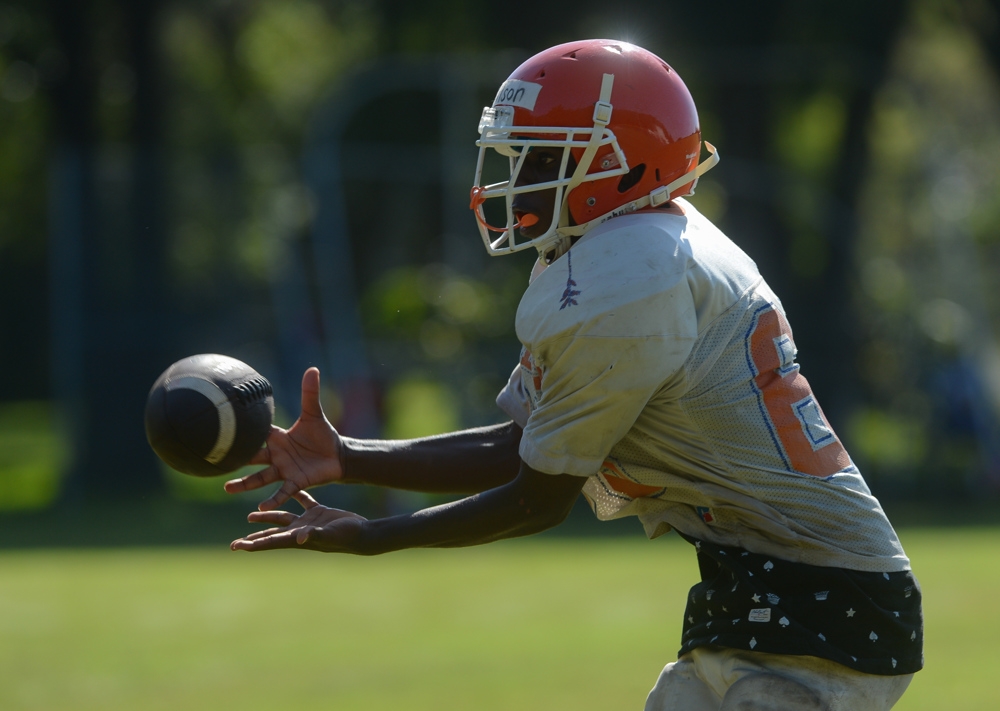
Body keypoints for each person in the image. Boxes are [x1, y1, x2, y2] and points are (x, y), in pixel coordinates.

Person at [226, 39, 923, 710]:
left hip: (825, 603)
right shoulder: (635, 245)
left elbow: (538, 496)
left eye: (541, 157)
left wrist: (375, 535)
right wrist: (348, 457)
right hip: (762, 584)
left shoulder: (632, 273)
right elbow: (525, 443)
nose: (517, 177)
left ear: (622, 166)